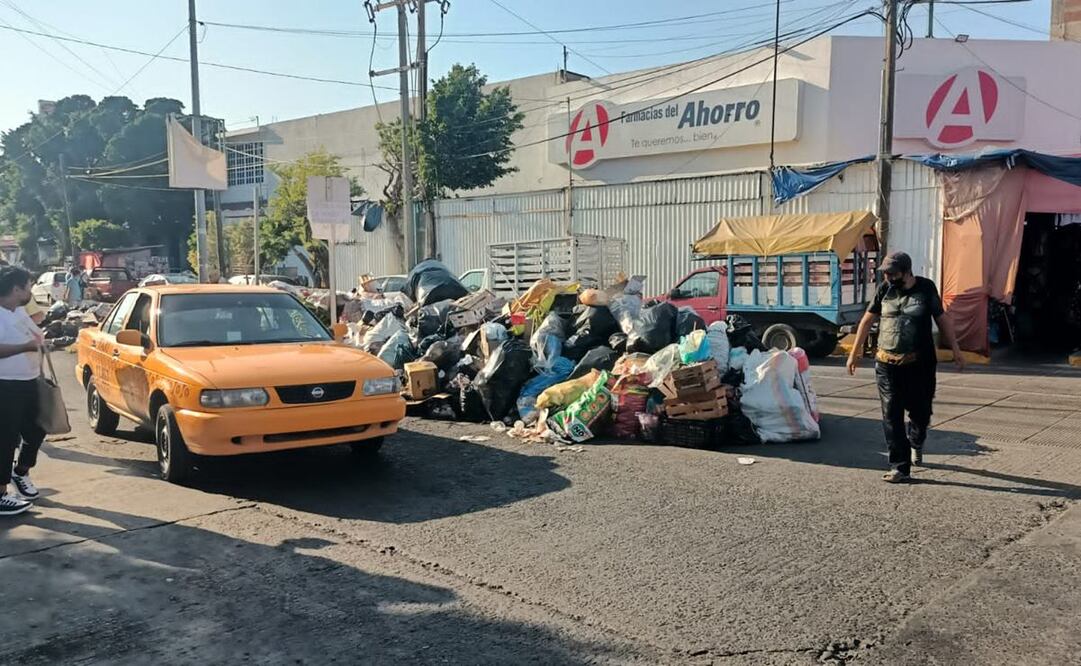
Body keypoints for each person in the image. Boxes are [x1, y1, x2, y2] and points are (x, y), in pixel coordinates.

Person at [847, 251, 965, 483]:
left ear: (907, 271)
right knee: (891, 414)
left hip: (919, 364)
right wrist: (854, 353)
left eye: (893, 273)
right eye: (886, 273)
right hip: (886, 363)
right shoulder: (884, 290)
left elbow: (942, 320)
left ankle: (917, 440)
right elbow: (867, 320)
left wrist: (956, 350)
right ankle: (899, 467)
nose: (889, 277)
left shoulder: (926, 288)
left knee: (920, 413)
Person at [0, 266, 47, 515]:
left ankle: (20, 472)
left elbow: (34, 336)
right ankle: (1, 494)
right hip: (5, 385)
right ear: (16, 289)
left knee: (37, 429)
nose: (31, 291)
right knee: (5, 439)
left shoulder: (17, 311)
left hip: (29, 381)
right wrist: (26, 347)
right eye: (28, 287)